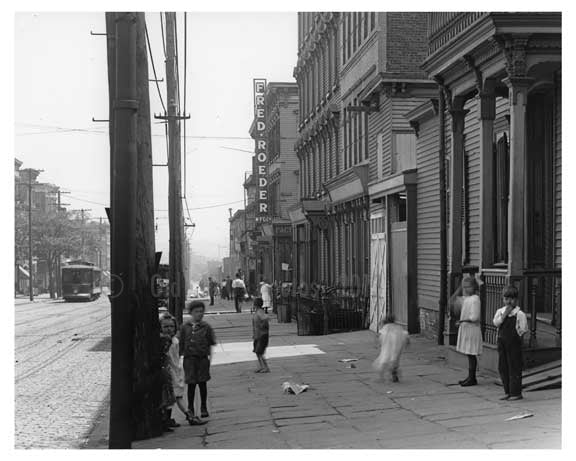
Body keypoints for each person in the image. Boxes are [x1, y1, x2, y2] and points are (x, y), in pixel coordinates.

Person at [179, 301, 217, 424]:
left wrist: (210, 358)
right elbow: (181, 343)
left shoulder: (206, 327)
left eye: (201, 311)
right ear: (191, 313)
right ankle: (190, 407)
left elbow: (211, 343)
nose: (199, 314)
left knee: (202, 383)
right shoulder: (185, 327)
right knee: (191, 384)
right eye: (196, 311)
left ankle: (203, 406)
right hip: (189, 359)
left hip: (202, 359)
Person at [493, 285, 528, 401]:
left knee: (514, 366)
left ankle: (516, 392)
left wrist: (517, 335)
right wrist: (503, 316)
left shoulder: (519, 314)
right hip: (502, 342)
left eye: (512, 299)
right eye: (506, 298)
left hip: (513, 343)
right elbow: (496, 323)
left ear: (516, 299)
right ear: (503, 299)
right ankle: (507, 391)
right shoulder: (500, 311)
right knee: (503, 366)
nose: (509, 301)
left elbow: (523, 328)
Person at [160, 313, 193, 427]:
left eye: (171, 326)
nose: (169, 329)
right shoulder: (164, 341)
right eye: (166, 327)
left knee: (174, 396)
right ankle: (188, 415)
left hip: (176, 370)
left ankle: (168, 419)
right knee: (174, 396)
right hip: (169, 371)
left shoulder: (175, 340)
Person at [450, 275, 483, 387]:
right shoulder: (467, 298)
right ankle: (470, 376)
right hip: (467, 328)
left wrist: (463, 320)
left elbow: (475, 317)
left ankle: (472, 377)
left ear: (473, 287)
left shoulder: (475, 299)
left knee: (471, 353)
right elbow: (455, 300)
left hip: (471, 329)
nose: (465, 289)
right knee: (469, 354)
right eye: (464, 287)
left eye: (468, 286)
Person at [372, 314, 409, 382]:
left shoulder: (385, 328)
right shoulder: (398, 327)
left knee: (383, 360)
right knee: (394, 360)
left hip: (387, 347)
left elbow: (379, 335)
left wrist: (377, 343)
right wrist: (406, 343)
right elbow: (405, 334)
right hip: (396, 348)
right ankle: (394, 373)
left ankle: (382, 376)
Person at [159, 333, 176, 431]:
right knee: (165, 402)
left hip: (167, 380)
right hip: (163, 380)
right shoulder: (160, 356)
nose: (166, 347)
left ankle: (167, 421)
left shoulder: (165, 355)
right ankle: (164, 422)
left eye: (168, 345)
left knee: (169, 401)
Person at [252, 297, 270, 373]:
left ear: (255, 305)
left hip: (262, 335)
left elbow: (266, 318)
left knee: (260, 352)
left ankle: (266, 367)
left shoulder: (260, 312)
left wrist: (263, 326)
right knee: (257, 352)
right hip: (258, 335)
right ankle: (261, 366)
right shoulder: (257, 312)